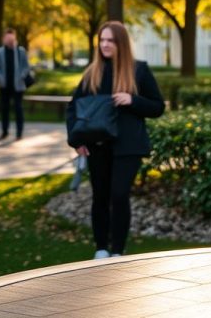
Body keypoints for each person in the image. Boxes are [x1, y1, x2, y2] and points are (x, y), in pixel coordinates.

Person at [66, 21, 165, 259]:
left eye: (110, 40)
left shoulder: (138, 70)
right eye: (102, 40)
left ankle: (118, 250)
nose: (105, 44)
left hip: (128, 146)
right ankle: (101, 248)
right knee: (100, 195)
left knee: (119, 195)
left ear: (121, 43)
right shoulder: (92, 73)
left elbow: (158, 107)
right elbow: (73, 109)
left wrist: (133, 100)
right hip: (97, 146)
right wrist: (76, 141)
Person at [0, 28, 30, 140]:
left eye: (11, 39)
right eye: (7, 39)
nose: (9, 41)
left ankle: (19, 132)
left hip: (18, 86)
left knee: (18, 109)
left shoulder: (20, 51)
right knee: (4, 109)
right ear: (4, 39)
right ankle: (4, 131)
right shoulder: (0, 52)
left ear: (14, 38)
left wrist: (22, 76)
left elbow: (26, 66)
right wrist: (0, 78)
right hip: (4, 86)